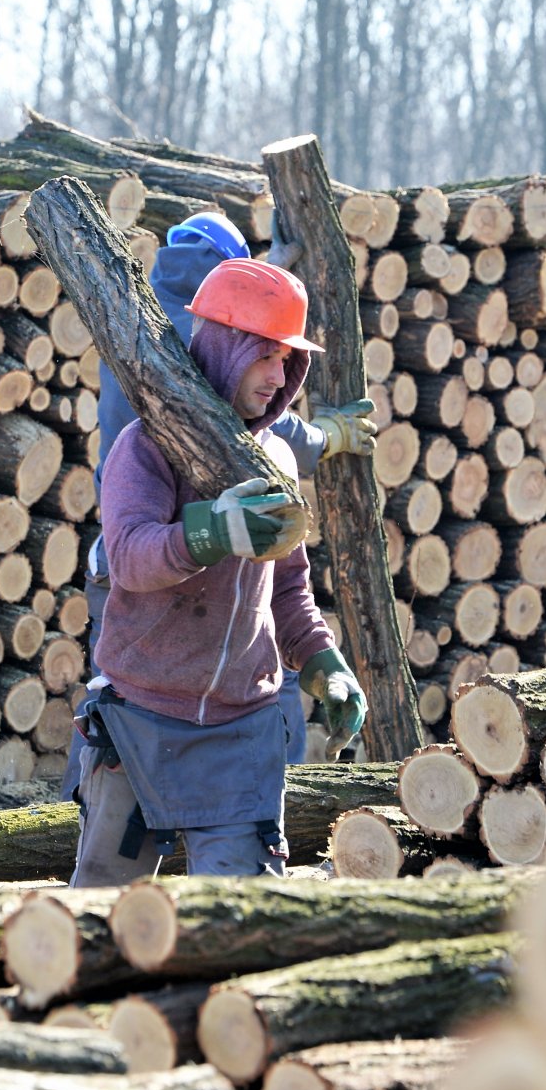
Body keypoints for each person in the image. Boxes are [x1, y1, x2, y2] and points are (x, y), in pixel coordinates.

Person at [67, 258, 369, 886]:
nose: (278, 374)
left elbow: (287, 587)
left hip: (241, 728)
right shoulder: (146, 447)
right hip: (140, 719)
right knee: (100, 913)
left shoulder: (279, 454)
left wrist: (323, 665)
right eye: (265, 355)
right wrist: (212, 533)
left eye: (288, 360)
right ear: (227, 346)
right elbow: (129, 556)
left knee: (247, 920)